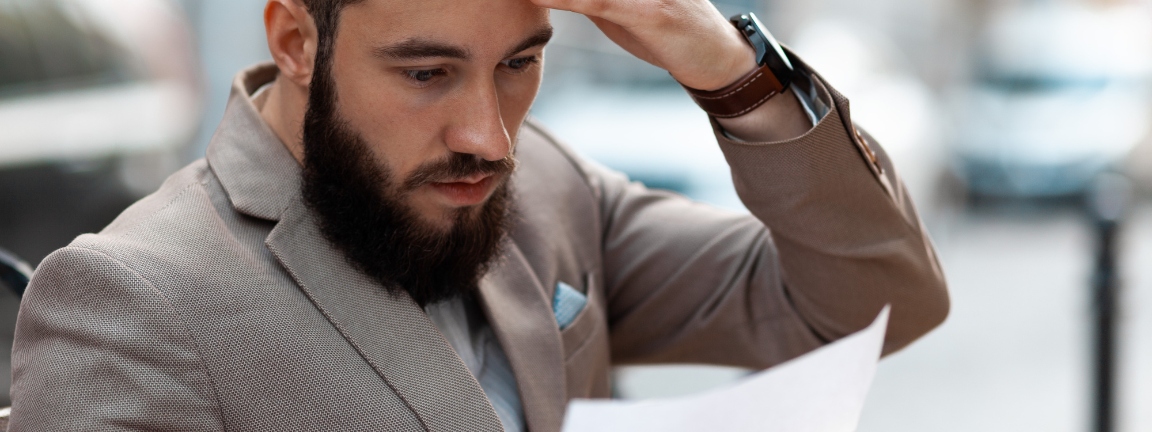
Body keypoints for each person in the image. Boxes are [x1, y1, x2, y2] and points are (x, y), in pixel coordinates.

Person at [7, 0, 950, 430]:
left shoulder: (543, 187)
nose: (488, 136)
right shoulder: (128, 301)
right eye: (427, 72)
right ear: (296, 39)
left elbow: (872, 304)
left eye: (519, 64)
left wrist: (730, 70)